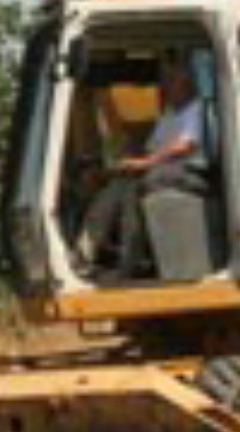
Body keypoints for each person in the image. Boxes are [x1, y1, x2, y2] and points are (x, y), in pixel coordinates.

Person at [76, 53, 209, 279]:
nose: (165, 86)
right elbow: (150, 148)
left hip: (189, 172)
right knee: (119, 186)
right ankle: (84, 255)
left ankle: (125, 264)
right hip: (162, 171)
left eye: (170, 80)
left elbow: (185, 146)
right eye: (164, 80)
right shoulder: (169, 114)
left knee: (135, 187)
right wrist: (120, 166)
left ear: (185, 80)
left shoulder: (196, 109)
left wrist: (145, 163)